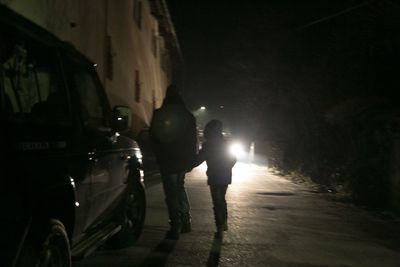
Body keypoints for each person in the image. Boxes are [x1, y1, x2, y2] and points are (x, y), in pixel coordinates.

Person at [149, 85, 197, 240]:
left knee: (171, 192)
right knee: (179, 188)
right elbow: (192, 141)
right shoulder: (188, 116)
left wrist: (157, 154)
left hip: (167, 160)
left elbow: (153, 137)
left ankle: (175, 225)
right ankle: (185, 220)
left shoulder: (159, 114)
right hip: (182, 160)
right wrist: (191, 159)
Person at [193, 120, 236, 239]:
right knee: (221, 199)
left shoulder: (208, 145)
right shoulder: (225, 144)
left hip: (214, 175)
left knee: (217, 201)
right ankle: (223, 221)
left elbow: (199, 159)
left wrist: (188, 166)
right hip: (225, 175)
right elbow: (233, 159)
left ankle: (220, 225)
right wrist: (227, 167)